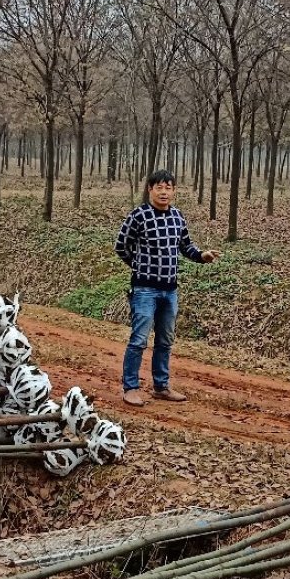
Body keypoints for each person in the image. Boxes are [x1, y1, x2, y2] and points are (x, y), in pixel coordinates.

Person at [115, 169, 217, 406]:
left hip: (170, 290)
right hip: (144, 290)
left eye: (168, 187)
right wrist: (138, 266)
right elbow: (121, 246)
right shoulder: (138, 216)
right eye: (159, 187)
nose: (164, 192)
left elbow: (185, 246)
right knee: (139, 339)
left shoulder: (177, 217)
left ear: (174, 191)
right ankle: (130, 387)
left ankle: (161, 386)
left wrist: (202, 256)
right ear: (150, 189)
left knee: (165, 340)